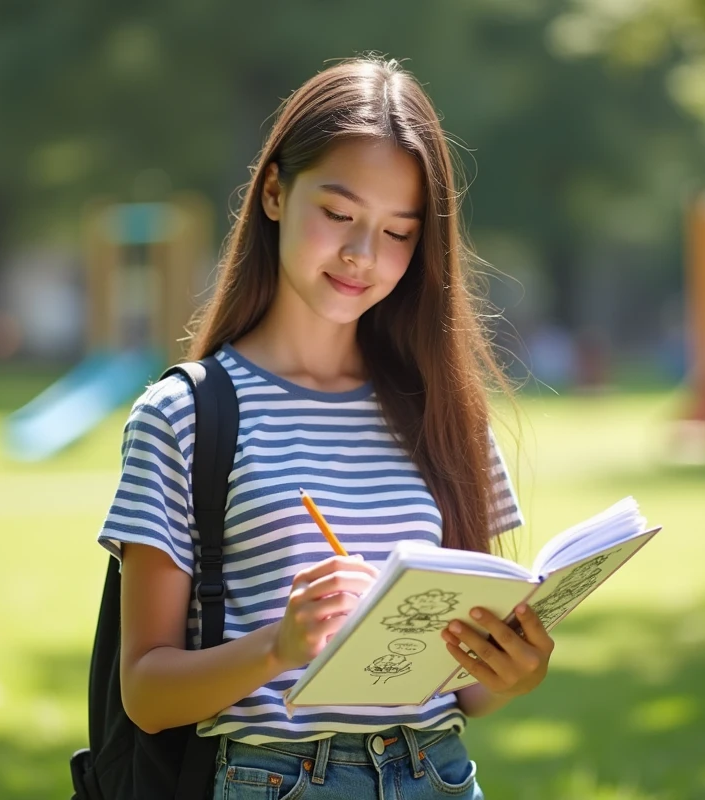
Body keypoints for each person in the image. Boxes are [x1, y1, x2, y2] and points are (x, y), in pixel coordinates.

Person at [97, 56, 555, 800]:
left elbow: (465, 688)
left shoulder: (444, 415)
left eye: (398, 231)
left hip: (437, 774)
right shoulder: (184, 416)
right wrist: (279, 647)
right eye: (339, 215)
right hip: (272, 780)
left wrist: (513, 673)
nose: (362, 255)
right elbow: (145, 694)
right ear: (274, 191)